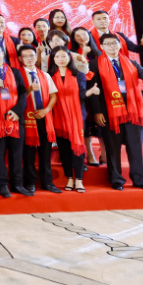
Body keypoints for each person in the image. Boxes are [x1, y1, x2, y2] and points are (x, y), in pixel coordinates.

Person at [90, 33, 143, 191]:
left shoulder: (132, 63)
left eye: (115, 43)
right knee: (113, 148)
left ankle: (140, 179)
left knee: (135, 147)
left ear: (119, 45)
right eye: (108, 44)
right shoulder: (94, 65)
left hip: (133, 111)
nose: (112, 46)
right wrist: (96, 112)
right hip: (109, 112)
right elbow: (93, 90)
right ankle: (116, 179)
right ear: (101, 47)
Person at [0, 43, 30, 197]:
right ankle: (2, 184)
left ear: (3, 53)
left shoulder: (15, 72)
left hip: (15, 118)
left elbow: (23, 93)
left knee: (16, 153)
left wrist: (17, 111)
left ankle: (17, 184)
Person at [48, 46, 93, 193]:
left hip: (76, 117)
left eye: (64, 56)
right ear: (53, 59)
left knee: (77, 148)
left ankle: (79, 179)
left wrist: (90, 92)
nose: (61, 59)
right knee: (64, 149)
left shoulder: (78, 74)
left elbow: (81, 94)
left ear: (69, 58)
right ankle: (69, 178)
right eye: (57, 57)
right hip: (58, 117)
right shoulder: (49, 76)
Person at [18, 44, 60, 194]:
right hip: (25, 118)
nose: (29, 58)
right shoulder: (17, 75)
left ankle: (47, 182)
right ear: (20, 58)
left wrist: (46, 110)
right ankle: (30, 182)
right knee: (28, 153)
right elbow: (15, 97)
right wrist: (29, 89)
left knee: (45, 152)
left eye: (32, 55)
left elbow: (53, 96)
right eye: (26, 56)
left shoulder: (45, 75)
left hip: (43, 117)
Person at [71, 26, 103, 165]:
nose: (81, 38)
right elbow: (78, 73)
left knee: (101, 123)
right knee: (86, 124)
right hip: (82, 90)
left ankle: (104, 154)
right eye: (77, 36)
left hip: (99, 90)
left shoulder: (99, 53)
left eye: (84, 34)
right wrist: (83, 56)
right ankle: (90, 154)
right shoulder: (72, 54)